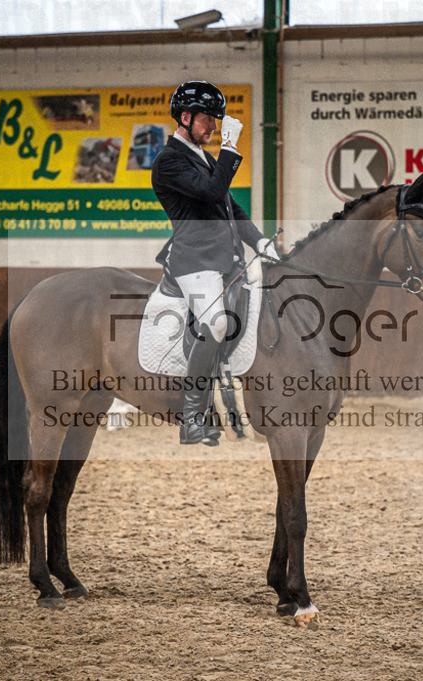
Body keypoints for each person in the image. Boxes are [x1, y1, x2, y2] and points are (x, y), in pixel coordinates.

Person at [151, 80, 278, 446]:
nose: (213, 127)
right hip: (193, 260)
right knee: (218, 324)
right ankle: (191, 419)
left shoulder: (203, 157)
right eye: (208, 120)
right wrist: (230, 149)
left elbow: (229, 207)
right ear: (185, 117)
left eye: (216, 121)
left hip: (222, 259)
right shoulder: (169, 161)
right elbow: (209, 192)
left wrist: (260, 241)